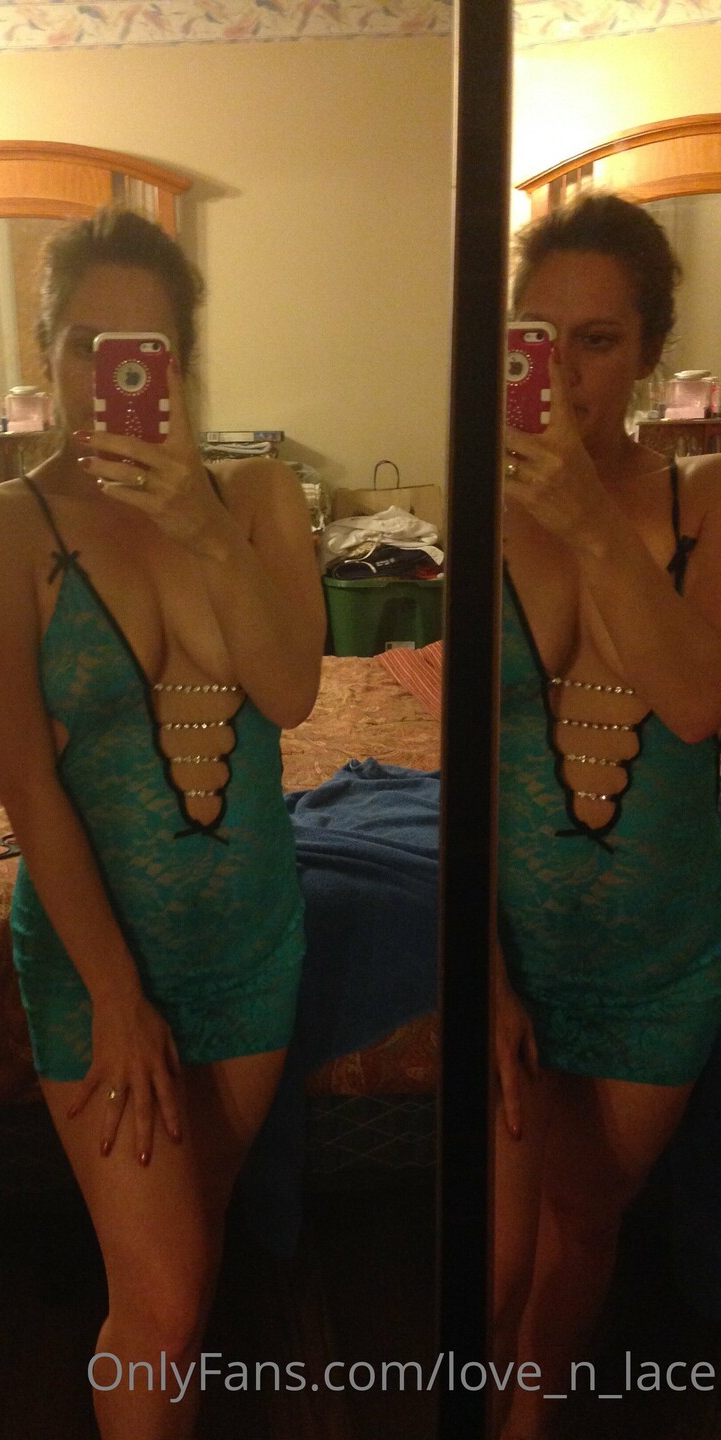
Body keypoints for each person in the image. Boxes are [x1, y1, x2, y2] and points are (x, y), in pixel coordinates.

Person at [0, 206, 325, 1440]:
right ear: (48, 352)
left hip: (253, 945)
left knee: (187, 1258)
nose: (106, 377)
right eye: (82, 345)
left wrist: (202, 530)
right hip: (98, 967)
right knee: (159, 1306)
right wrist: (116, 995)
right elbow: (27, 786)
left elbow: (291, 692)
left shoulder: (257, 497)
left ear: (183, 364)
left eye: (142, 350)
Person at [493, 191, 721, 1439]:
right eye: (540, 337)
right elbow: (465, 761)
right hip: (515, 952)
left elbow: (693, 703)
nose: (568, 371)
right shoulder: (480, 505)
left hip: (659, 957)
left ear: (646, 352)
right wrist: (478, 967)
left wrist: (588, 516)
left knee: (583, 1229)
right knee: (492, 1255)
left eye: (598, 340)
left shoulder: (706, 500)